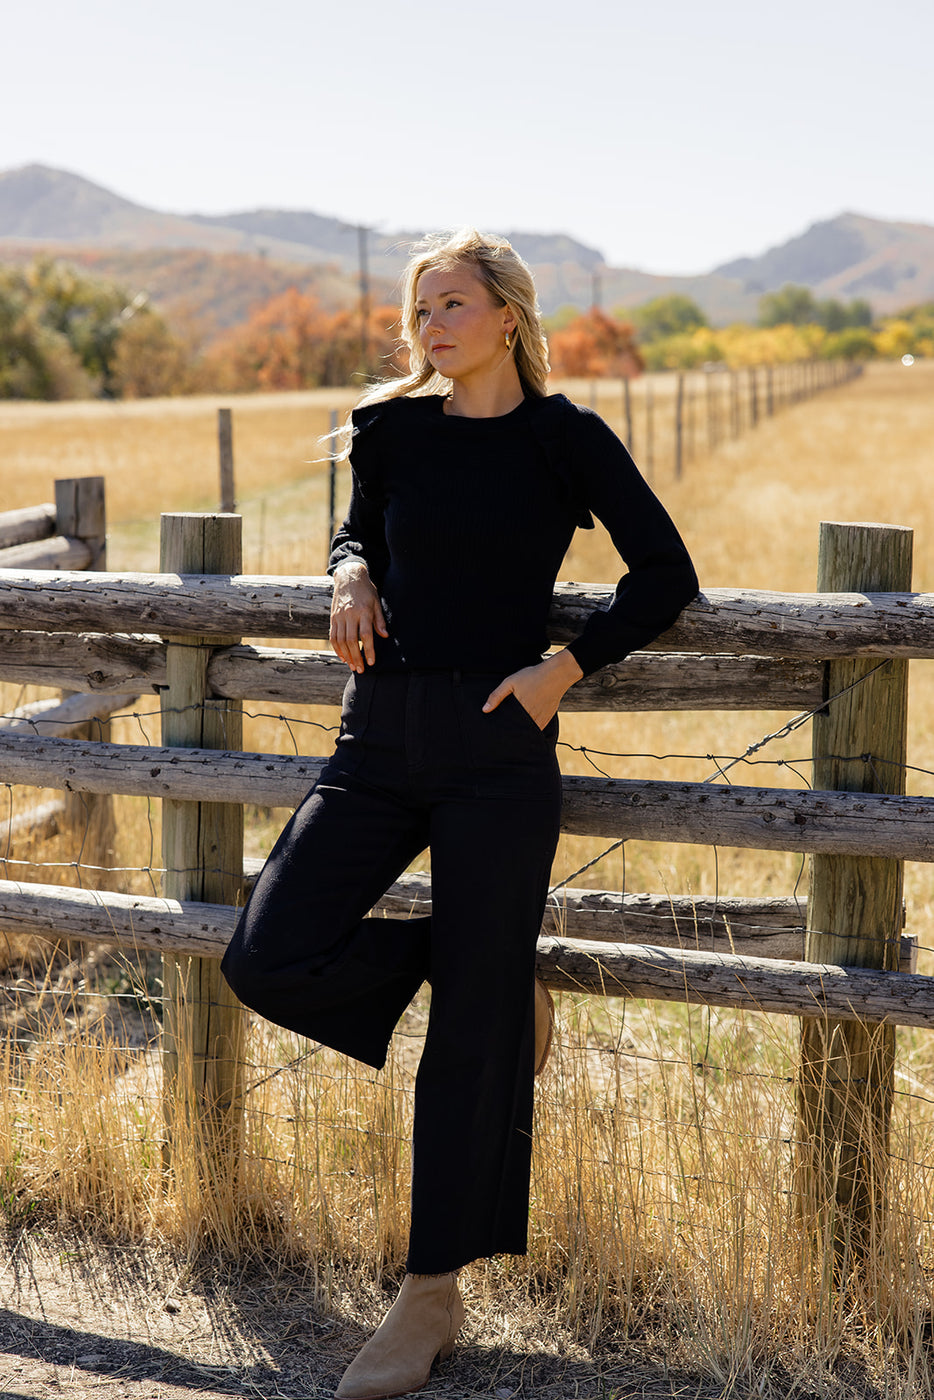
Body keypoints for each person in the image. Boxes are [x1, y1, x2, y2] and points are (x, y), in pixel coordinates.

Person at [221, 228, 698, 1400]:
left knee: (469, 1041)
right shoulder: (388, 429)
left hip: (497, 742)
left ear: (506, 317)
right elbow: (359, 527)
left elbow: (664, 575)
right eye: (417, 306)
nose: (428, 323)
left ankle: (428, 1292)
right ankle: (481, 970)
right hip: (376, 736)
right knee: (266, 954)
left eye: (451, 303)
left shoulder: (564, 438)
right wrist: (346, 571)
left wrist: (560, 672)